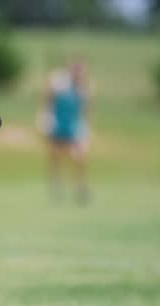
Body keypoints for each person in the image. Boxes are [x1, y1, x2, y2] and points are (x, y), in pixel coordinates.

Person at [39, 60, 91, 204]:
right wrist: (46, 118)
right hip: (58, 126)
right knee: (55, 158)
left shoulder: (83, 89)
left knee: (79, 158)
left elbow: (85, 110)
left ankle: (81, 188)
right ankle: (57, 188)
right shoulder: (60, 85)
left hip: (74, 127)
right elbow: (49, 102)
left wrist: (86, 128)